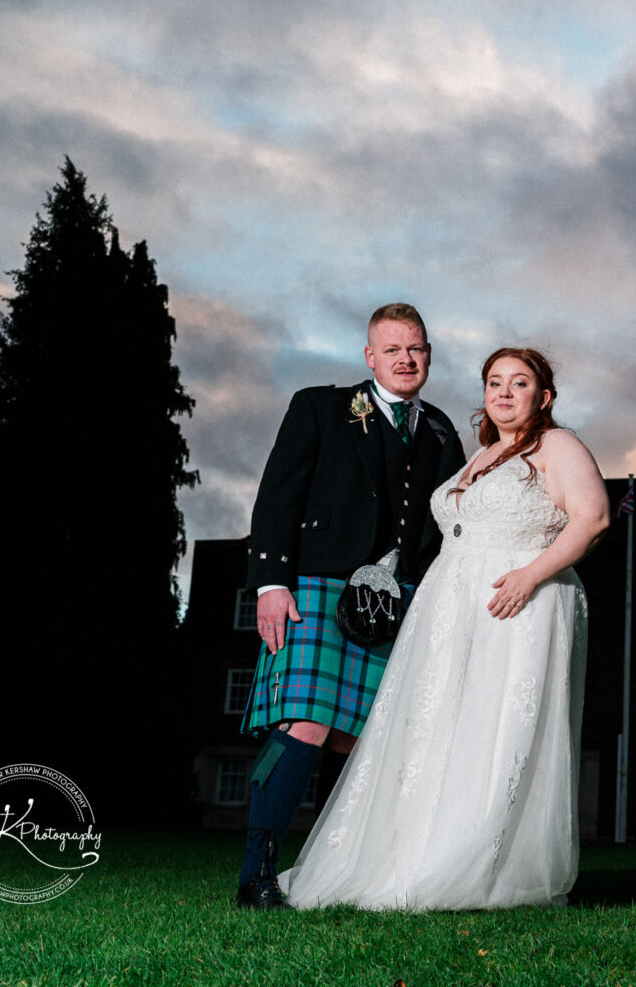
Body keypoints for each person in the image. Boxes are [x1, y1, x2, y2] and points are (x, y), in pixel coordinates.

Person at [276, 346, 609, 910]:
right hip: (449, 607)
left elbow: (594, 518)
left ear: (543, 397)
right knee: (440, 728)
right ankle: (409, 853)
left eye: (519, 382)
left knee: (492, 730)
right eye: (494, 382)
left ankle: (473, 862)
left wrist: (529, 577)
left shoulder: (558, 445)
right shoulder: (480, 455)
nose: (504, 393)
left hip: (518, 605)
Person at [235, 303, 467, 909]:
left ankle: (333, 873)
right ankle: (256, 873)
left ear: (429, 355)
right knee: (305, 724)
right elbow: (277, 495)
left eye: (415, 349)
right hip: (317, 585)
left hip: (403, 597)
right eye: (392, 350)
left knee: (360, 739)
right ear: (370, 357)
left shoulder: (441, 429)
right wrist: (270, 584)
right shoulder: (320, 406)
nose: (405, 359)